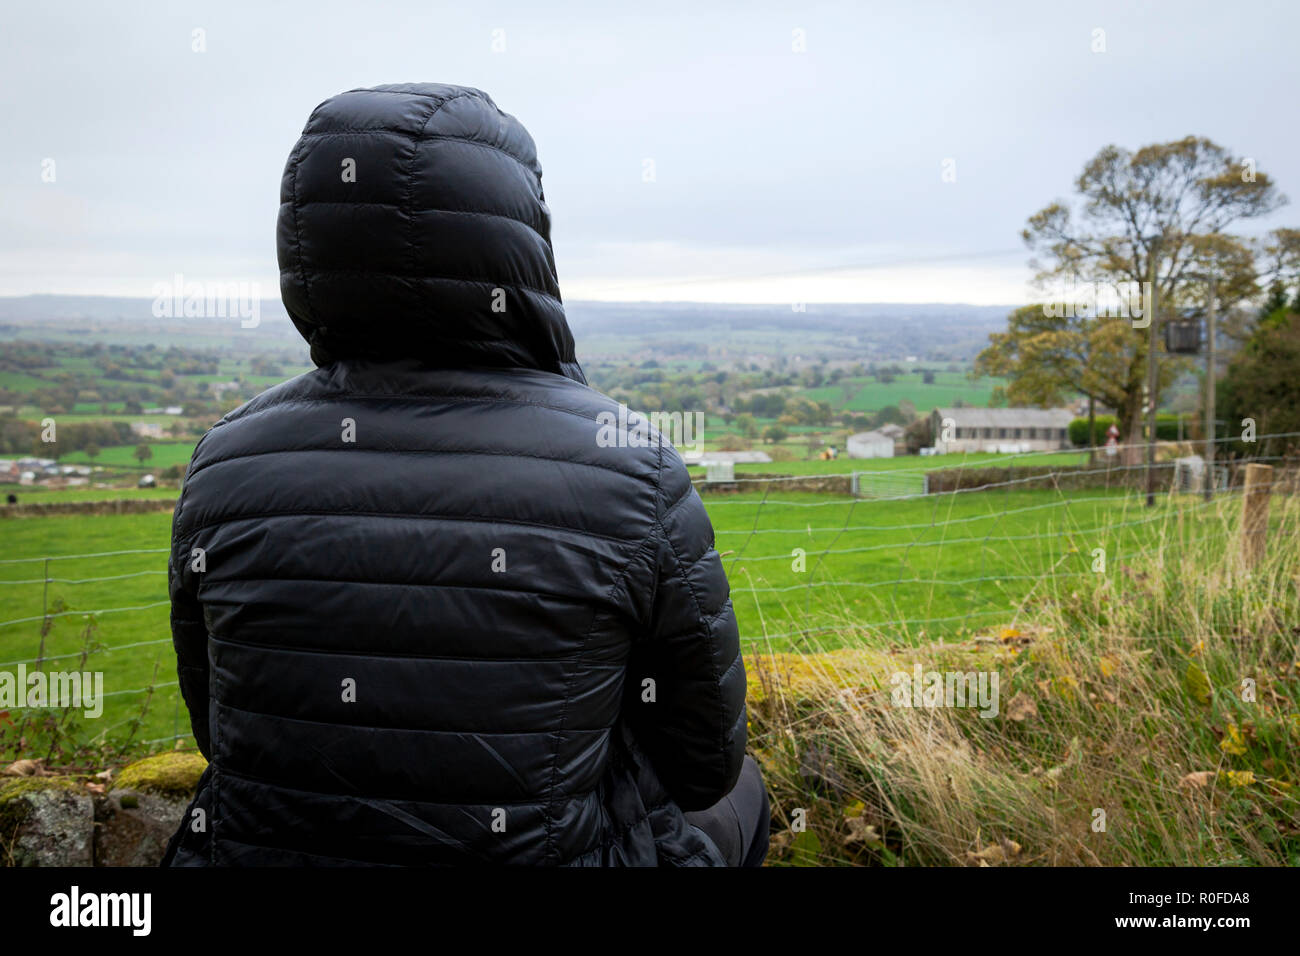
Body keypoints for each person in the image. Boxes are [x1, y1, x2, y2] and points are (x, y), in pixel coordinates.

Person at [162, 83, 768, 867]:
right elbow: (702, 761)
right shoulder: (630, 464)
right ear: (519, 239)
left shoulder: (225, 464)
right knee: (742, 794)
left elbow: (219, 730)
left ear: (308, 246)